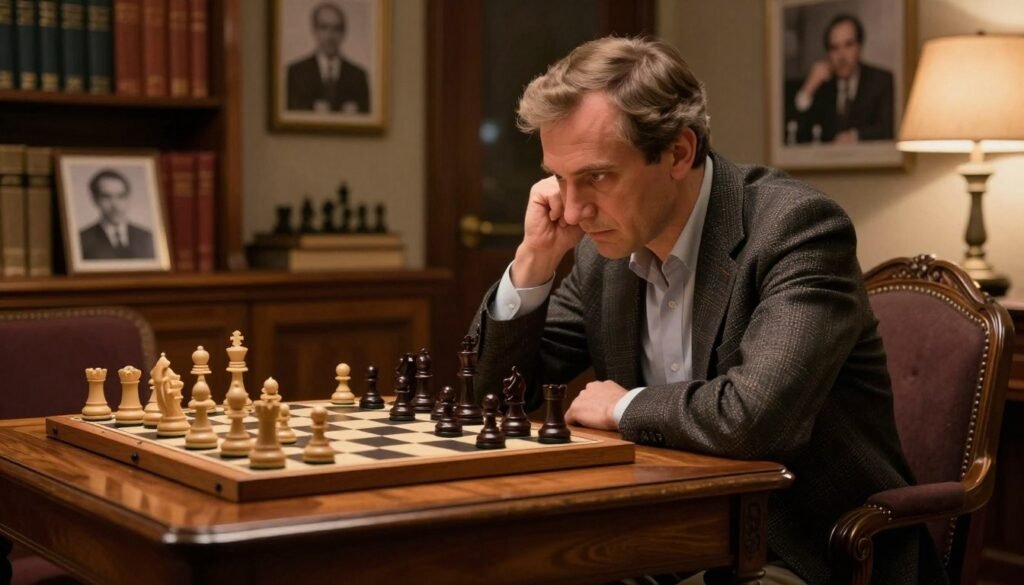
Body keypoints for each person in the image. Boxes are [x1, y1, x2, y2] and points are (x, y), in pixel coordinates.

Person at [468, 37, 945, 584]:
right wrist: (532, 263)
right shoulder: (602, 255)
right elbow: (490, 398)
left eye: (597, 176)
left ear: (678, 153)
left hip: (803, 550)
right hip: (656, 538)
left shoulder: (798, 230)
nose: (573, 209)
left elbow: (755, 421)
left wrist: (625, 408)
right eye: (560, 178)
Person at [792, 14, 894, 144]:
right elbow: (795, 135)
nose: (842, 56)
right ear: (828, 53)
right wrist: (809, 88)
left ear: (860, 47)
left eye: (848, 45)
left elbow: (887, 128)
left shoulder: (881, 81)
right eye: (834, 48)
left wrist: (855, 136)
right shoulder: (822, 85)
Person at [286, 2, 370, 114]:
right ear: (315, 30)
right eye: (324, 27)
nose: (330, 36)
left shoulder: (358, 76)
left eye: (336, 29)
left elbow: (367, 116)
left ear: (343, 33)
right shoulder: (296, 72)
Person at [79, 169, 155, 260]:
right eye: (106, 197)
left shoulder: (147, 238)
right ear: (95, 200)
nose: (115, 205)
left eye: (121, 196)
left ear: (128, 198)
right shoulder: (82, 240)